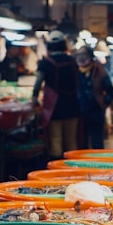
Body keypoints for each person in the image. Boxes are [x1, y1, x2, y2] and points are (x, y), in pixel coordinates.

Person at [32, 30, 80, 159]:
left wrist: (34, 98)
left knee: (55, 140)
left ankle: (56, 168)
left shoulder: (46, 63)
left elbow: (38, 83)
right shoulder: (72, 62)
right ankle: (73, 169)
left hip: (54, 109)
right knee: (71, 141)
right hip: (73, 106)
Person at [75, 45, 113, 149]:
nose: (81, 57)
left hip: (95, 111)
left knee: (97, 142)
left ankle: (98, 163)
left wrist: (104, 104)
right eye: (79, 55)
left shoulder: (100, 71)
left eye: (84, 54)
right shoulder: (75, 71)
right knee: (81, 142)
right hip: (79, 112)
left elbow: (110, 91)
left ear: (90, 56)